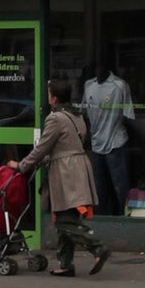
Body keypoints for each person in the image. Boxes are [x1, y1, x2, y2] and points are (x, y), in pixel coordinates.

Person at [22, 78, 107, 277]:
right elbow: (66, 144)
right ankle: (66, 264)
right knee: (67, 216)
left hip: (65, 172)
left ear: (54, 98)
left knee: (63, 221)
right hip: (79, 168)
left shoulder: (55, 118)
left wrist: (22, 165)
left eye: (48, 93)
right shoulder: (76, 116)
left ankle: (98, 248)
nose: (47, 97)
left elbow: (42, 147)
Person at [82, 59, 134, 215]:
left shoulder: (120, 86)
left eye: (101, 66)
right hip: (96, 144)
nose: (98, 70)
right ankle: (101, 221)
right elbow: (84, 112)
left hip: (115, 144)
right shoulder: (88, 85)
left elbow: (128, 116)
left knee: (121, 187)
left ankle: (125, 220)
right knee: (99, 188)